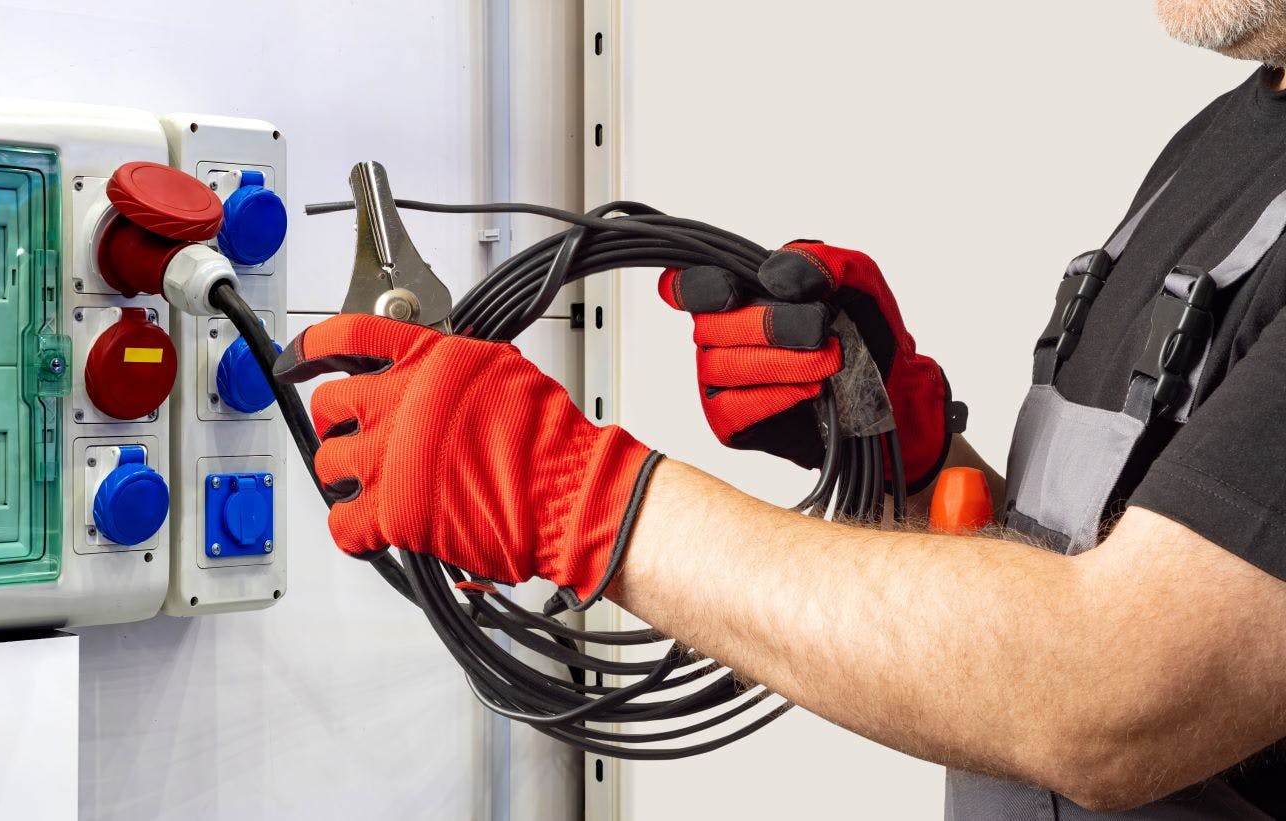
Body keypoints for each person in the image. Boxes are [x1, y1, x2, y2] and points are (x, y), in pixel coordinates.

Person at [274, 2, 1286, 817]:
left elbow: (1114, 699)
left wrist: (572, 493)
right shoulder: (1230, 135)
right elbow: (1116, 584)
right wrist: (905, 461)